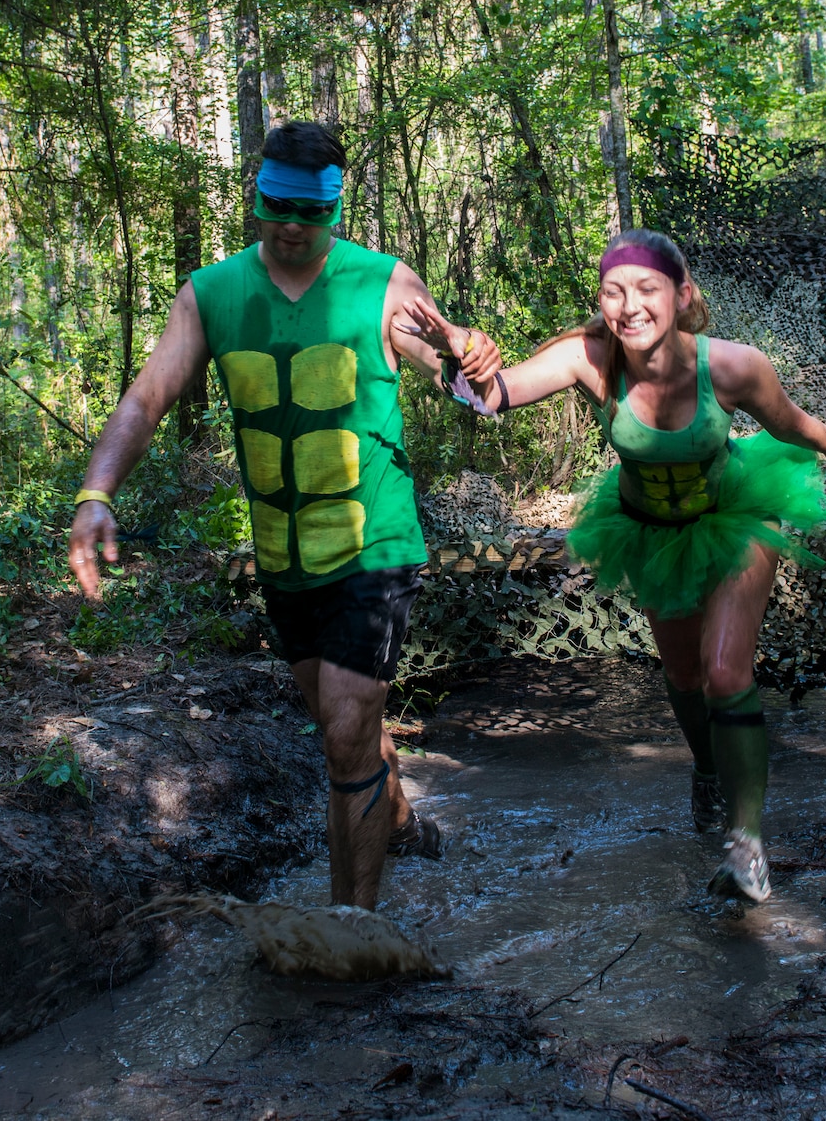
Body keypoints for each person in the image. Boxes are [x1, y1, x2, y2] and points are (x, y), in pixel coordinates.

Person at [68, 121, 502, 910]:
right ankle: (400, 822)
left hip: (376, 546)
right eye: (278, 206)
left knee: (344, 737)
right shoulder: (211, 294)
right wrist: (97, 493)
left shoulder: (384, 284)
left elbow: (453, 374)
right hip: (286, 559)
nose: (293, 226)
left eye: (312, 211)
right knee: (347, 731)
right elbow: (147, 397)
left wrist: (467, 356)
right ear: (257, 196)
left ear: (334, 207)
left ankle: (349, 930)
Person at [403, 228, 826, 902]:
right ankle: (707, 768)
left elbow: (786, 423)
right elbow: (494, 396)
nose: (629, 306)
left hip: (736, 516)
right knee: (685, 676)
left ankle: (747, 846)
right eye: (614, 292)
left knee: (725, 671)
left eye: (646, 289)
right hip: (650, 530)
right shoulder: (591, 358)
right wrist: (462, 356)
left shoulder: (733, 366)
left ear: (682, 295)